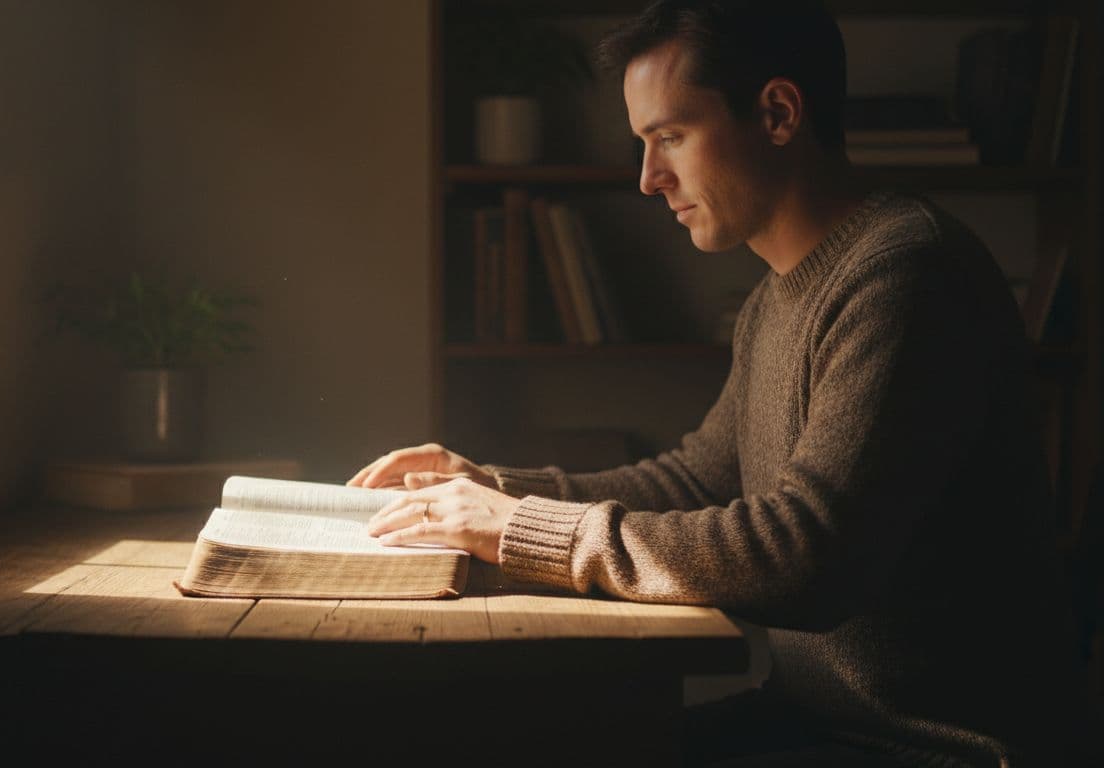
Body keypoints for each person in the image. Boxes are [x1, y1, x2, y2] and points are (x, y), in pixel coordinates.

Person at [349, 1, 1089, 766]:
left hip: (937, 748)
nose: (647, 179)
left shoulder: (908, 273)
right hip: (811, 723)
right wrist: (492, 488)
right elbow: (700, 478)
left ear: (776, 113)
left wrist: (515, 529)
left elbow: (806, 554)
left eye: (669, 136)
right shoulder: (774, 298)